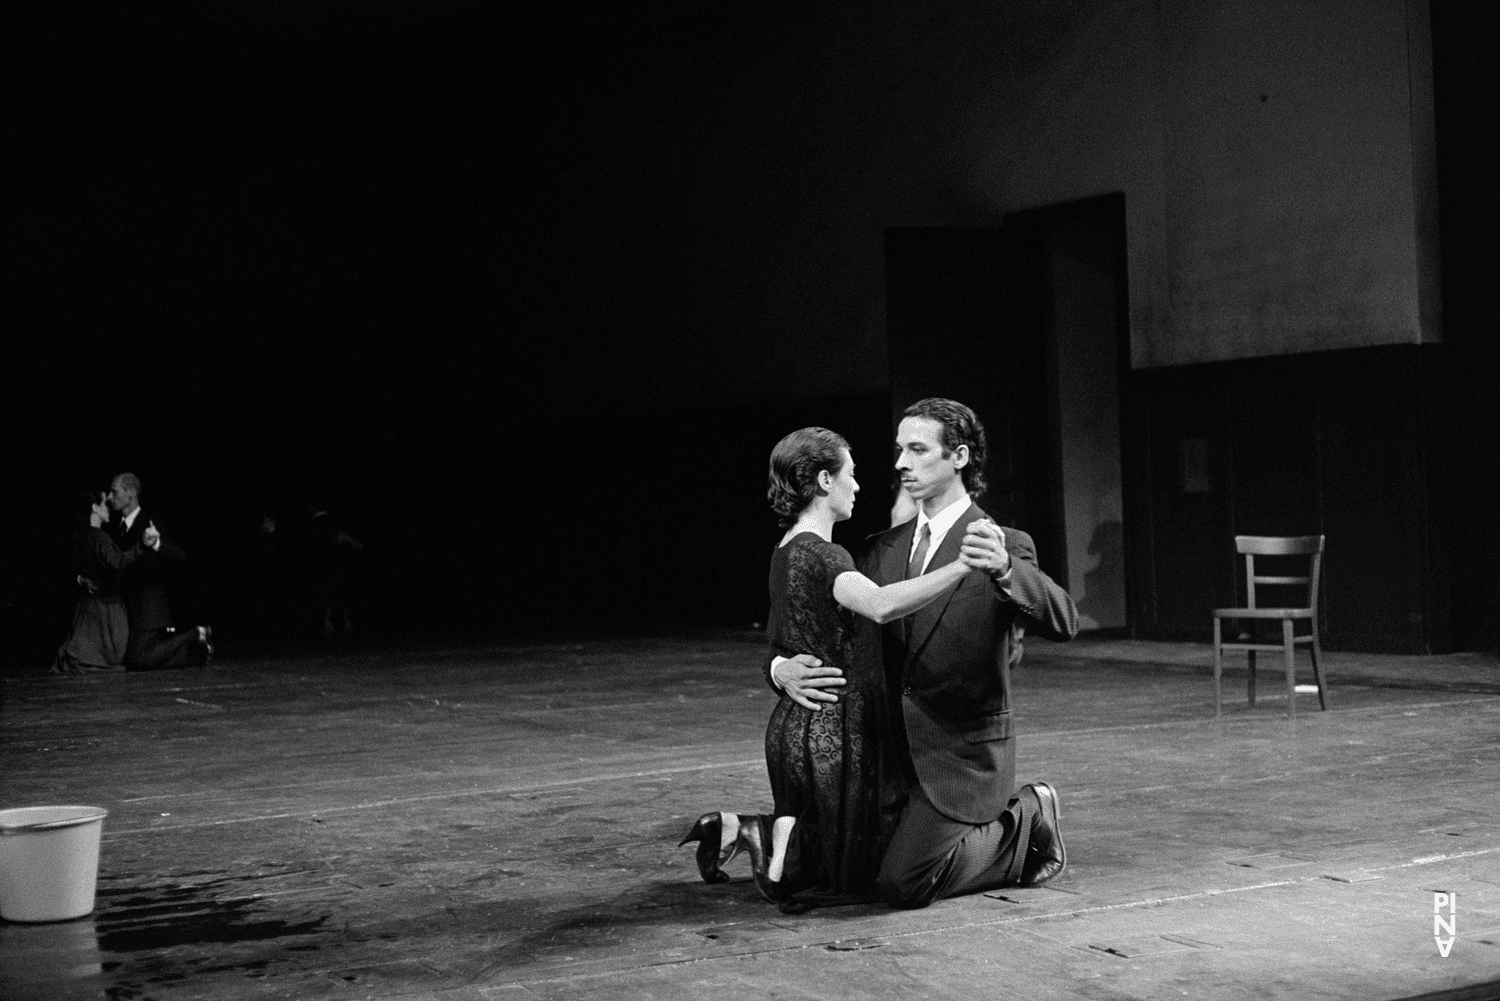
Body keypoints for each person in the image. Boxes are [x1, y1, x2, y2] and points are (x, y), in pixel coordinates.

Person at [776, 399, 1080, 910]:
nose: (901, 463)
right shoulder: (878, 549)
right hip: (885, 756)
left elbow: (1064, 621)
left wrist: (1006, 568)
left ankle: (1026, 820)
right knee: (845, 874)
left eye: (918, 450)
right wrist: (780, 668)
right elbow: (799, 628)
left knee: (903, 884)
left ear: (958, 457)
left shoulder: (1004, 543)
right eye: (899, 450)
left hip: (960, 758)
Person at [680, 427, 984, 911]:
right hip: (837, 731)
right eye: (852, 475)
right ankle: (767, 849)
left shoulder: (786, 549)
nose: (859, 486)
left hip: (795, 728)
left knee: (823, 849)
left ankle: (742, 832)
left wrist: (780, 667)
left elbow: (781, 637)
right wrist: (961, 566)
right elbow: (881, 605)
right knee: (877, 870)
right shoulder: (826, 554)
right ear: (825, 480)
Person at [108, 473, 214, 669]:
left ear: (131, 493)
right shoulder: (117, 528)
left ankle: (196, 633)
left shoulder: (150, 522)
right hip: (129, 608)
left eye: (114, 492)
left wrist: (156, 543)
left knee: (138, 661)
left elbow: (179, 556)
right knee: (133, 659)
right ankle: (195, 655)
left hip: (150, 608)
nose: (109, 497)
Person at [50, 493, 150, 674]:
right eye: (104, 504)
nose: (109, 507)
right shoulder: (99, 537)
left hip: (87, 610)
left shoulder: (82, 537)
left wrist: (82, 580)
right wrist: (141, 545)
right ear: (95, 508)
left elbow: (70, 568)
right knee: (112, 657)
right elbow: (117, 562)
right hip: (106, 609)